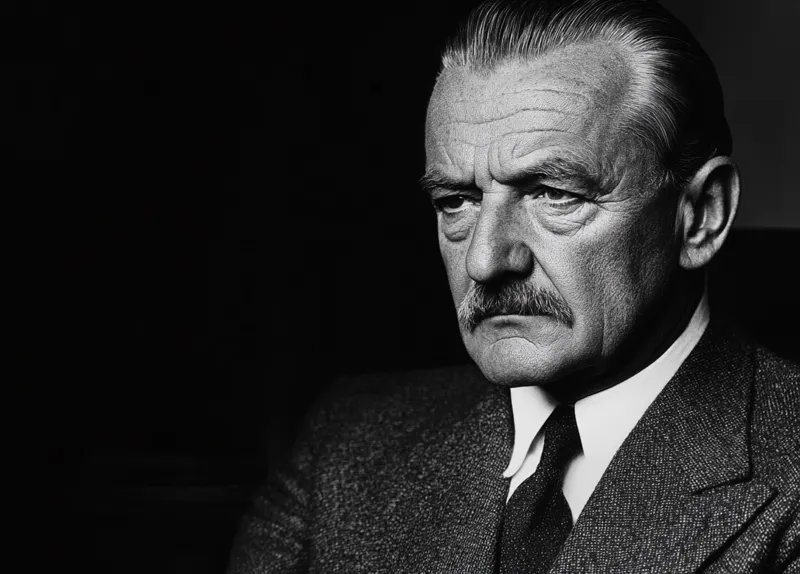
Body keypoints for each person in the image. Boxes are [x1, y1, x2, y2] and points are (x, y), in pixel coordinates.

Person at [227, 0, 800, 572]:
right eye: (457, 201)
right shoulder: (347, 445)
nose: (484, 260)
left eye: (555, 194)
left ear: (701, 214)